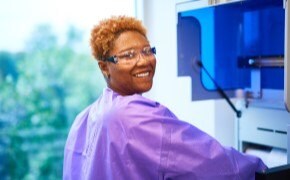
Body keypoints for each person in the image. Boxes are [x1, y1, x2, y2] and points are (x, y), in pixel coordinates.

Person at [63, 15, 267, 180]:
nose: (143, 61)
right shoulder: (132, 114)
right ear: (105, 66)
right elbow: (207, 162)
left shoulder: (83, 119)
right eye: (128, 55)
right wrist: (263, 171)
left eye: (147, 51)